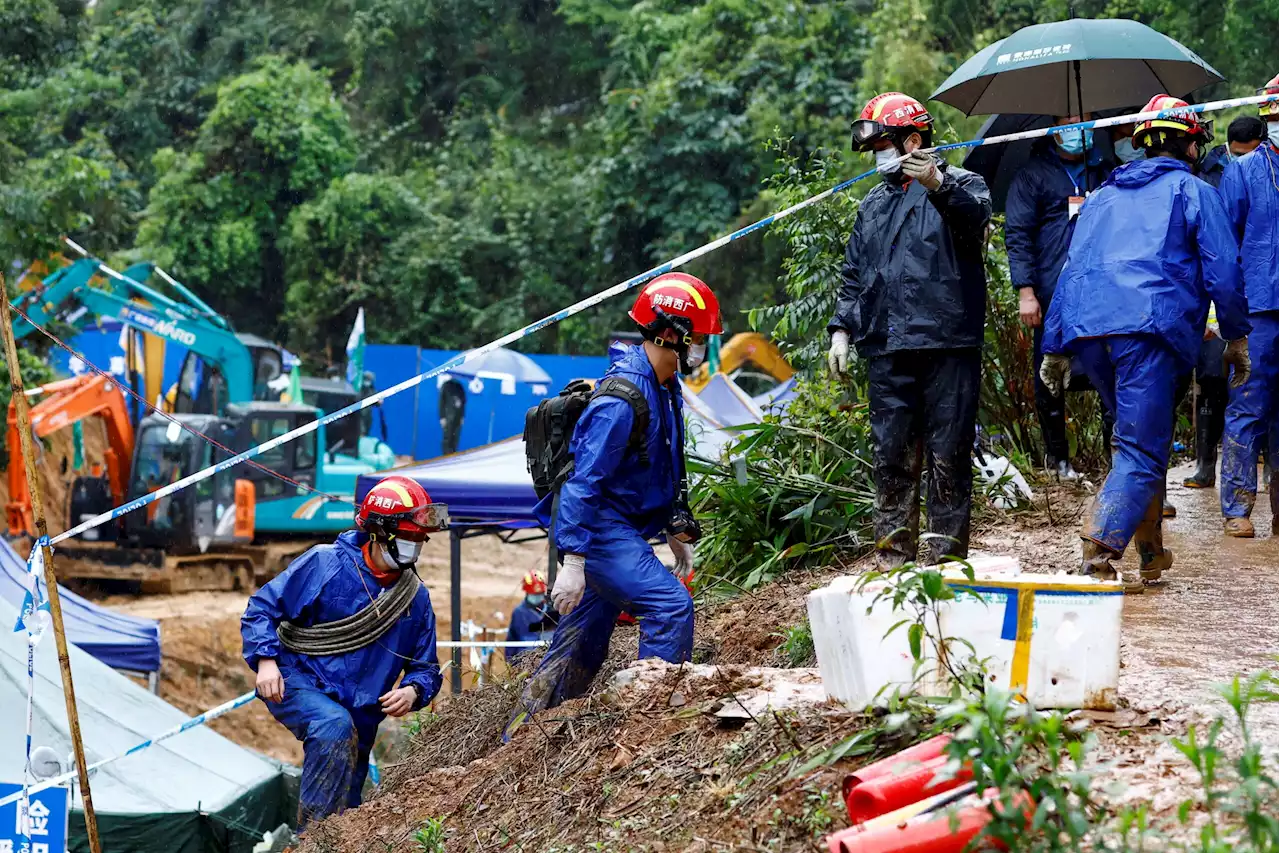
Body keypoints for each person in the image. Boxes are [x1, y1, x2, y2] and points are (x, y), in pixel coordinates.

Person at [1040, 95, 1251, 588]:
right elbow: (1223, 268)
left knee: (1139, 437)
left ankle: (1152, 552)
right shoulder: (1192, 191)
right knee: (1139, 446)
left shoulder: (1101, 197)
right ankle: (1097, 552)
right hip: (1148, 332)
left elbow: (1069, 272)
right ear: (1191, 144)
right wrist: (1237, 337)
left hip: (1092, 334)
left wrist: (1054, 345)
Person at [503, 273, 716, 740]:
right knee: (670, 607)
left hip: (620, 529)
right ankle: (649, 727)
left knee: (584, 635)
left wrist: (673, 530)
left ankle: (524, 734)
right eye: (698, 337)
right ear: (671, 333)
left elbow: (657, 468)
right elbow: (584, 483)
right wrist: (575, 560)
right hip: (598, 531)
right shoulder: (621, 398)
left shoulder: (664, 386)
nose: (703, 348)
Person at [827, 91, 992, 567]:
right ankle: (892, 559)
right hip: (887, 346)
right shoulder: (874, 204)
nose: (877, 156)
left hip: (948, 342)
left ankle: (944, 561)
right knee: (892, 457)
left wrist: (939, 184)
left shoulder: (964, 183)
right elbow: (854, 275)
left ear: (913, 141)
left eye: (883, 144)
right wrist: (841, 328)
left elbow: (975, 219)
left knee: (948, 453)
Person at [241, 475, 445, 825]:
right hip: (299, 680)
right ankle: (312, 844)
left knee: (347, 804)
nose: (416, 546)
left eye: (419, 539)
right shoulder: (325, 563)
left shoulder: (415, 598)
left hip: (362, 713)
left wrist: (413, 691)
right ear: (381, 532)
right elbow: (262, 608)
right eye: (409, 537)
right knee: (332, 725)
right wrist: (265, 661)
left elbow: (425, 667)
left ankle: (331, 839)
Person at [1005, 114, 1114, 479]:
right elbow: (1018, 236)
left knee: (1109, 371)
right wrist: (1026, 291)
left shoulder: (1104, 168)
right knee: (1050, 374)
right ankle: (1057, 460)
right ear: (1053, 129)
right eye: (1068, 121)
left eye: (1083, 120)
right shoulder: (1032, 176)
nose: (1076, 127)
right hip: (1053, 294)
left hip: (1103, 291)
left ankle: (1115, 455)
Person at [1217, 74, 1280, 537]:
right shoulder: (1242, 170)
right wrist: (1222, 310)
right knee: (1249, 403)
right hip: (1258, 305)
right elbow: (1224, 242)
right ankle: (1237, 507)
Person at [1199, 115, 1267, 188]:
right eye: (1239, 155)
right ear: (1228, 148)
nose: (1245, 161)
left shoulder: (1273, 168)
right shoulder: (1207, 179)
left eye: (1251, 155)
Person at [505, 569, 558, 661]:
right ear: (527, 593)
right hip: (525, 659)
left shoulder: (551, 610)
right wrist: (511, 662)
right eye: (534, 594)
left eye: (539, 594)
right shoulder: (519, 613)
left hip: (549, 658)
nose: (536, 597)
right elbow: (512, 639)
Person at [439, 378, 466, 455]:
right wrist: (442, 417)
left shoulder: (459, 386)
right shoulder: (446, 386)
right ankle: (446, 455)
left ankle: (453, 454)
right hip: (448, 416)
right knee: (447, 437)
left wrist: (462, 416)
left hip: (458, 416)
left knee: (455, 437)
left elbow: (463, 403)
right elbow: (441, 402)